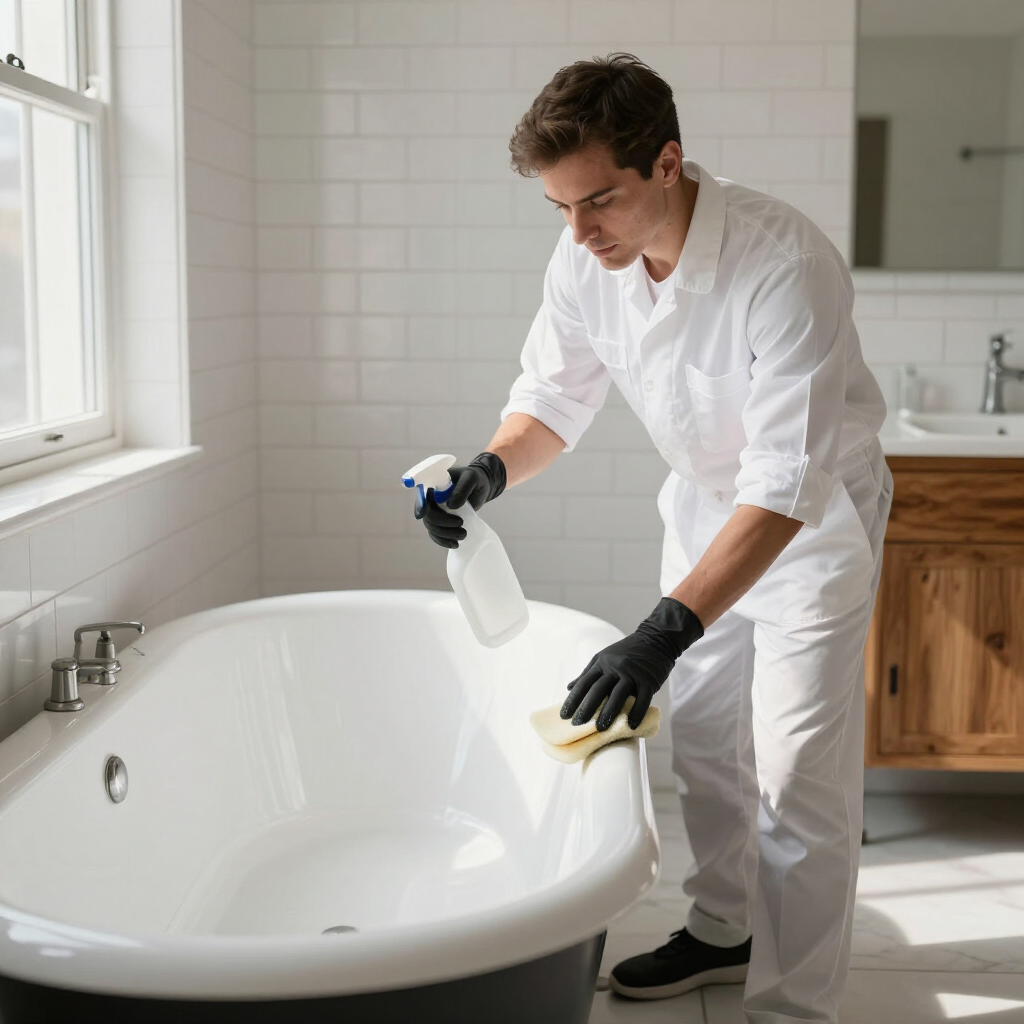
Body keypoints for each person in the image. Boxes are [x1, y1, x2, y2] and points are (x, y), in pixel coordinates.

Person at [412, 53, 892, 1024]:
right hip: (702, 511)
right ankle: (723, 929)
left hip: (808, 529)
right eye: (558, 209)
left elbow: (784, 484)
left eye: (598, 202)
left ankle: (793, 1008)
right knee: (707, 748)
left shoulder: (783, 263)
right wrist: (491, 468)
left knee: (799, 781)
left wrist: (665, 626)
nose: (578, 232)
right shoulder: (586, 258)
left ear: (667, 163)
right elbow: (551, 399)